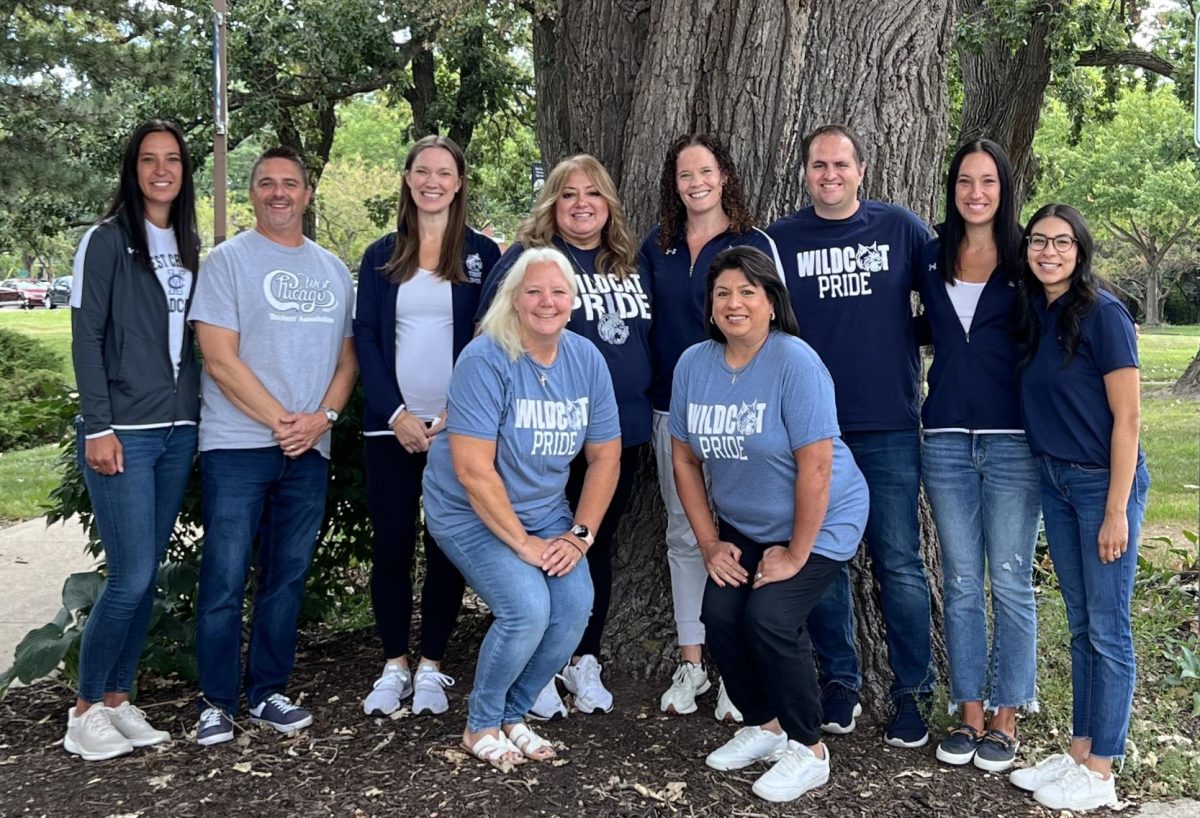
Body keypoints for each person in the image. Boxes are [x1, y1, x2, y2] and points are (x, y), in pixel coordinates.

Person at [671, 246, 868, 802]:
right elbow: (684, 457)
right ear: (709, 306)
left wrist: (797, 553)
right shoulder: (694, 365)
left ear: (772, 303)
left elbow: (818, 465)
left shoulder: (795, 361)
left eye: (747, 292)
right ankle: (765, 725)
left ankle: (809, 749)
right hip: (745, 524)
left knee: (771, 617)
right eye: (723, 293)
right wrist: (710, 543)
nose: (734, 304)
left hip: (823, 519)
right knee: (721, 612)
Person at [768, 124, 935, 747]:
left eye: (841, 164)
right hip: (812, 431)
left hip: (890, 424)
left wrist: (901, 337)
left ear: (862, 170)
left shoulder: (901, 229)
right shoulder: (782, 241)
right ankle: (840, 681)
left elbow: (945, 303)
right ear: (805, 172)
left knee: (900, 564)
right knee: (821, 560)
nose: (830, 175)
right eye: (819, 165)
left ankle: (912, 694)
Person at [423, 247, 622, 769]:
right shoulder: (486, 359)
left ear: (573, 302)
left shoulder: (586, 360)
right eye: (533, 291)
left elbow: (605, 456)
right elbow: (472, 470)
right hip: (469, 510)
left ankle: (513, 716)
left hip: (543, 511)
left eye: (558, 292)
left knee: (575, 606)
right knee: (527, 609)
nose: (547, 302)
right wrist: (523, 544)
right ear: (513, 300)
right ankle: (480, 724)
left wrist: (579, 535)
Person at [189, 146, 357, 746]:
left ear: (308, 194)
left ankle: (267, 691)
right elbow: (218, 358)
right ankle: (215, 701)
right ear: (252, 193)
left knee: (286, 576)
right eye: (266, 183)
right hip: (237, 447)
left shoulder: (334, 270)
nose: (278, 193)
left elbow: (348, 358)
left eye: (290, 183)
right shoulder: (228, 262)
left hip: (309, 451)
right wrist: (284, 421)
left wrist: (322, 419)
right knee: (226, 576)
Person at [474, 155, 649, 717]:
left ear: (609, 204)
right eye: (569, 194)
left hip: (618, 434)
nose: (582, 204)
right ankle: (537, 666)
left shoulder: (627, 262)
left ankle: (582, 659)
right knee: (532, 540)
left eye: (593, 194)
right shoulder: (530, 262)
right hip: (543, 434)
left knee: (591, 543)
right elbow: (488, 333)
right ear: (552, 202)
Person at [64, 120, 202, 760]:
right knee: (130, 575)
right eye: (148, 160)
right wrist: (98, 424)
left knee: (145, 580)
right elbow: (85, 337)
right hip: (124, 430)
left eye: (171, 159)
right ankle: (85, 708)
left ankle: (119, 701)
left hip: (178, 429)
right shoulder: (105, 240)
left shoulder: (189, 242)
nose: (160, 170)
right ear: (133, 169)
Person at [354, 135, 500, 718]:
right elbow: (365, 336)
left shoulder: (483, 254)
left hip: (457, 427)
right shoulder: (380, 254)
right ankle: (394, 664)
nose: (432, 181)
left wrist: (454, 414)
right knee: (390, 544)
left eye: (444, 172)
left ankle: (434, 666)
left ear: (459, 182)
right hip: (390, 427)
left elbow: (492, 336)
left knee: (447, 544)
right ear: (408, 179)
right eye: (422, 171)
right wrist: (395, 413)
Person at [1008, 204, 1147, 812]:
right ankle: (1080, 749)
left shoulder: (1105, 315)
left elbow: (1130, 418)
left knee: (1109, 629)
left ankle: (1103, 768)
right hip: (1056, 484)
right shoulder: (1039, 311)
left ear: (1081, 250)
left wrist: (1117, 508)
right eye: (1039, 241)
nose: (1049, 252)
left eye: (1062, 243)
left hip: (1100, 488)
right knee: (1083, 623)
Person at [641, 134, 783, 720]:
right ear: (673, 185)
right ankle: (693, 662)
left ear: (724, 175)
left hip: (742, 409)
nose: (695, 183)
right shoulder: (657, 246)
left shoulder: (754, 243)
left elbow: (777, 326)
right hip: (674, 410)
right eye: (683, 175)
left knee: (744, 532)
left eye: (704, 172)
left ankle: (737, 671)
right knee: (685, 532)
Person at [919, 140, 1041, 772]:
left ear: (1003, 187)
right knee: (963, 582)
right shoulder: (931, 250)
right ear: (953, 188)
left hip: (1013, 441)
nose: (976, 193)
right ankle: (968, 712)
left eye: (988, 181)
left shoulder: (1027, 254)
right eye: (965, 181)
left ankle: (1006, 717)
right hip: (942, 439)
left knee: (1013, 582)